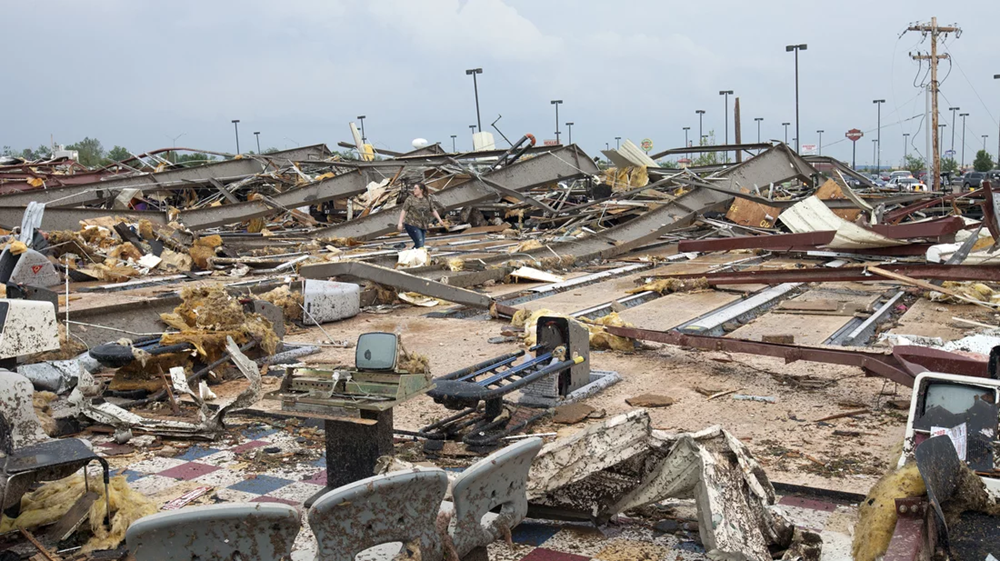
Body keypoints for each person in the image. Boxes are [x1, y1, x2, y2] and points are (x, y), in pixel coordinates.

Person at [397, 182, 446, 249]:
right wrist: (400, 223)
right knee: (420, 244)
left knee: (420, 244)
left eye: (416, 188)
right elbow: (404, 210)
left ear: (421, 190)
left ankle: (412, 255)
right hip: (412, 224)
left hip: (423, 225)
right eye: (414, 188)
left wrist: (439, 219)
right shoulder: (410, 199)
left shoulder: (428, 199)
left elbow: (433, 210)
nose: (414, 190)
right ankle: (414, 256)